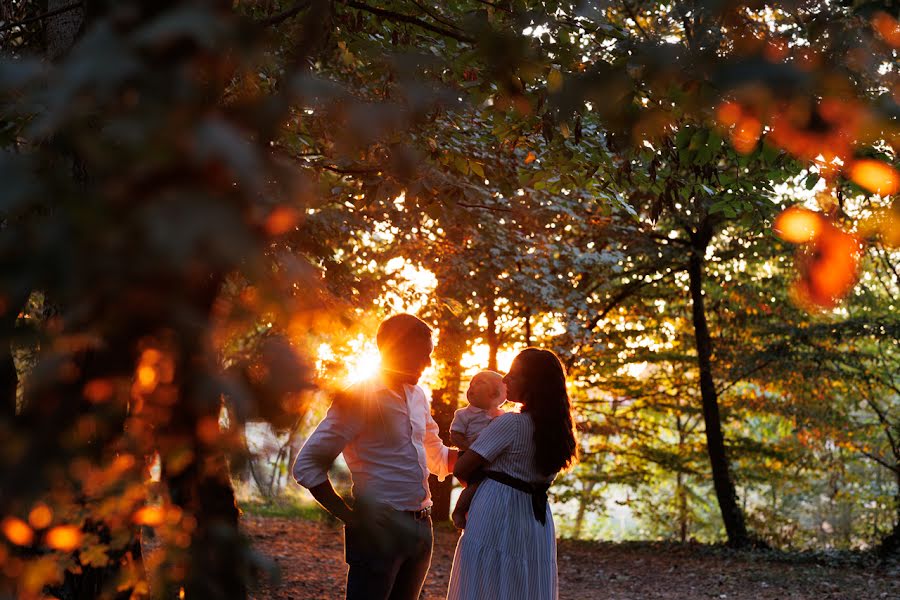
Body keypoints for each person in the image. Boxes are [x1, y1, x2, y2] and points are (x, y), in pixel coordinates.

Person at [292, 314, 457, 600]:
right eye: (422, 355)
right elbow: (307, 465)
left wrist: (488, 453)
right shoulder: (358, 398)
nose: (428, 363)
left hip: (422, 529)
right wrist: (351, 518)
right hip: (379, 531)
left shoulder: (418, 396)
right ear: (397, 351)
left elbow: (438, 458)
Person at [446, 348, 578, 600]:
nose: (505, 379)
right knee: (525, 581)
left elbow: (462, 468)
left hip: (497, 512)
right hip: (535, 518)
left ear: (533, 385)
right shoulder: (558, 431)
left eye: (514, 376)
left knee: (488, 582)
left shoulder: (510, 423)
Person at [449, 370, 506, 530]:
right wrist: (468, 448)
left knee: (491, 484)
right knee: (476, 484)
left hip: (489, 457)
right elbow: (455, 435)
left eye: (479, 383)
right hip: (469, 456)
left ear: (495, 394)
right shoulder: (463, 414)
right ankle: (459, 511)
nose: (471, 386)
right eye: (470, 384)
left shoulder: (501, 416)